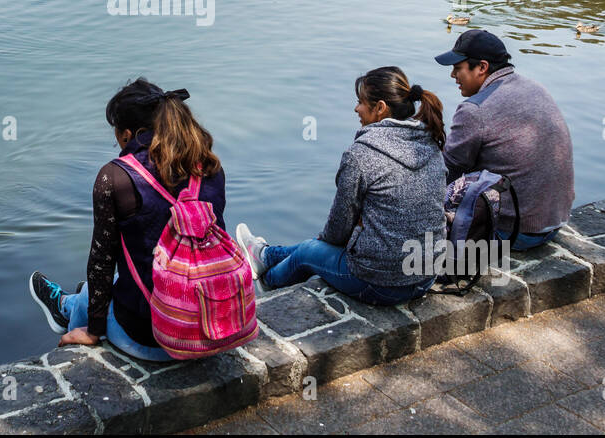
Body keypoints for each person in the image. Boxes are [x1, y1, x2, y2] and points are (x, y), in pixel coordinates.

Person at [28, 79, 225, 361]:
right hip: (212, 327)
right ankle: (76, 301)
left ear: (129, 133)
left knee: (102, 287)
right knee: (129, 274)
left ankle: (68, 308)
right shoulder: (208, 165)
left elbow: (101, 262)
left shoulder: (115, 177)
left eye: (117, 134)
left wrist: (93, 332)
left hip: (153, 339)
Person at [236, 67, 447, 304]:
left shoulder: (362, 154)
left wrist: (323, 242)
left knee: (308, 251)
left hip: (381, 284)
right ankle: (264, 254)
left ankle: (265, 285)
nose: (356, 109)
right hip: (426, 276)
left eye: (360, 102)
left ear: (380, 108)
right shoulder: (431, 143)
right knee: (317, 247)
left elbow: (337, 231)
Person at [434, 28, 575, 249]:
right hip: (554, 222)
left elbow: (446, 171)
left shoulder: (475, 109)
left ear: (482, 67)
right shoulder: (535, 88)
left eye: (457, 68)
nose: (453, 75)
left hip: (514, 232)